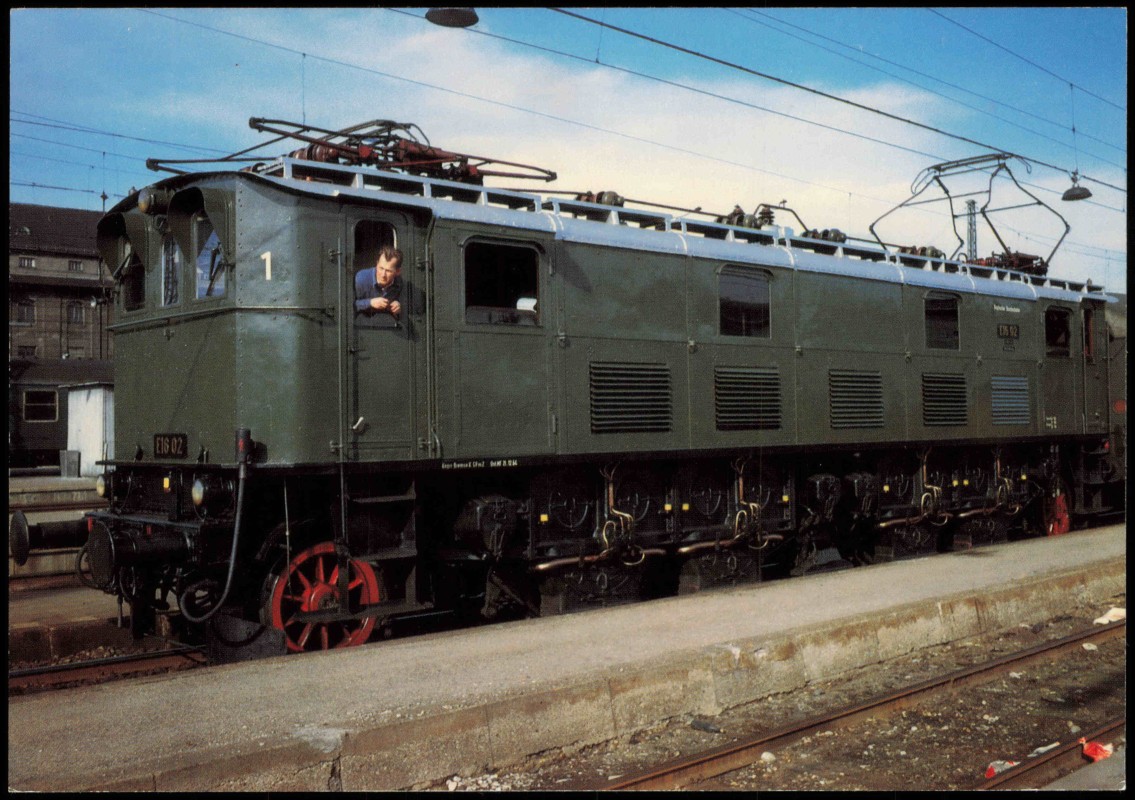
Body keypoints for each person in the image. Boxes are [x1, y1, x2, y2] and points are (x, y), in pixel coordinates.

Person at [354, 245, 403, 318]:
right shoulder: (361, 278)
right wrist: (370, 303)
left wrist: (397, 304)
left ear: (398, 271)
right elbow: (350, 305)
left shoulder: (399, 283)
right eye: (381, 268)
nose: (383, 274)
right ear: (377, 264)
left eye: (388, 271)